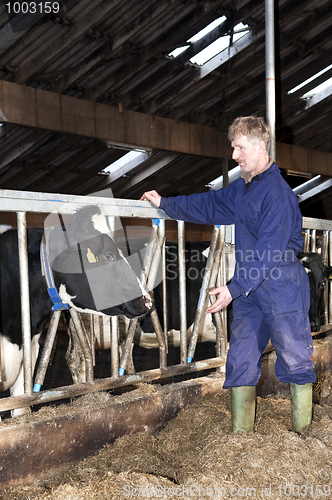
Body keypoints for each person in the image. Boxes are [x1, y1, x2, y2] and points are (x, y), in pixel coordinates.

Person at [141, 115, 316, 433]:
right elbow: (208, 204)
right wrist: (166, 203)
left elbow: (269, 251)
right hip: (250, 289)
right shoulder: (244, 190)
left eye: (239, 148)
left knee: (294, 358)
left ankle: (302, 434)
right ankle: (241, 437)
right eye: (233, 148)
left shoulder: (278, 195)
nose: (234, 156)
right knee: (241, 357)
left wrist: (233, 289)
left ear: (260, 146)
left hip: (280, 286)